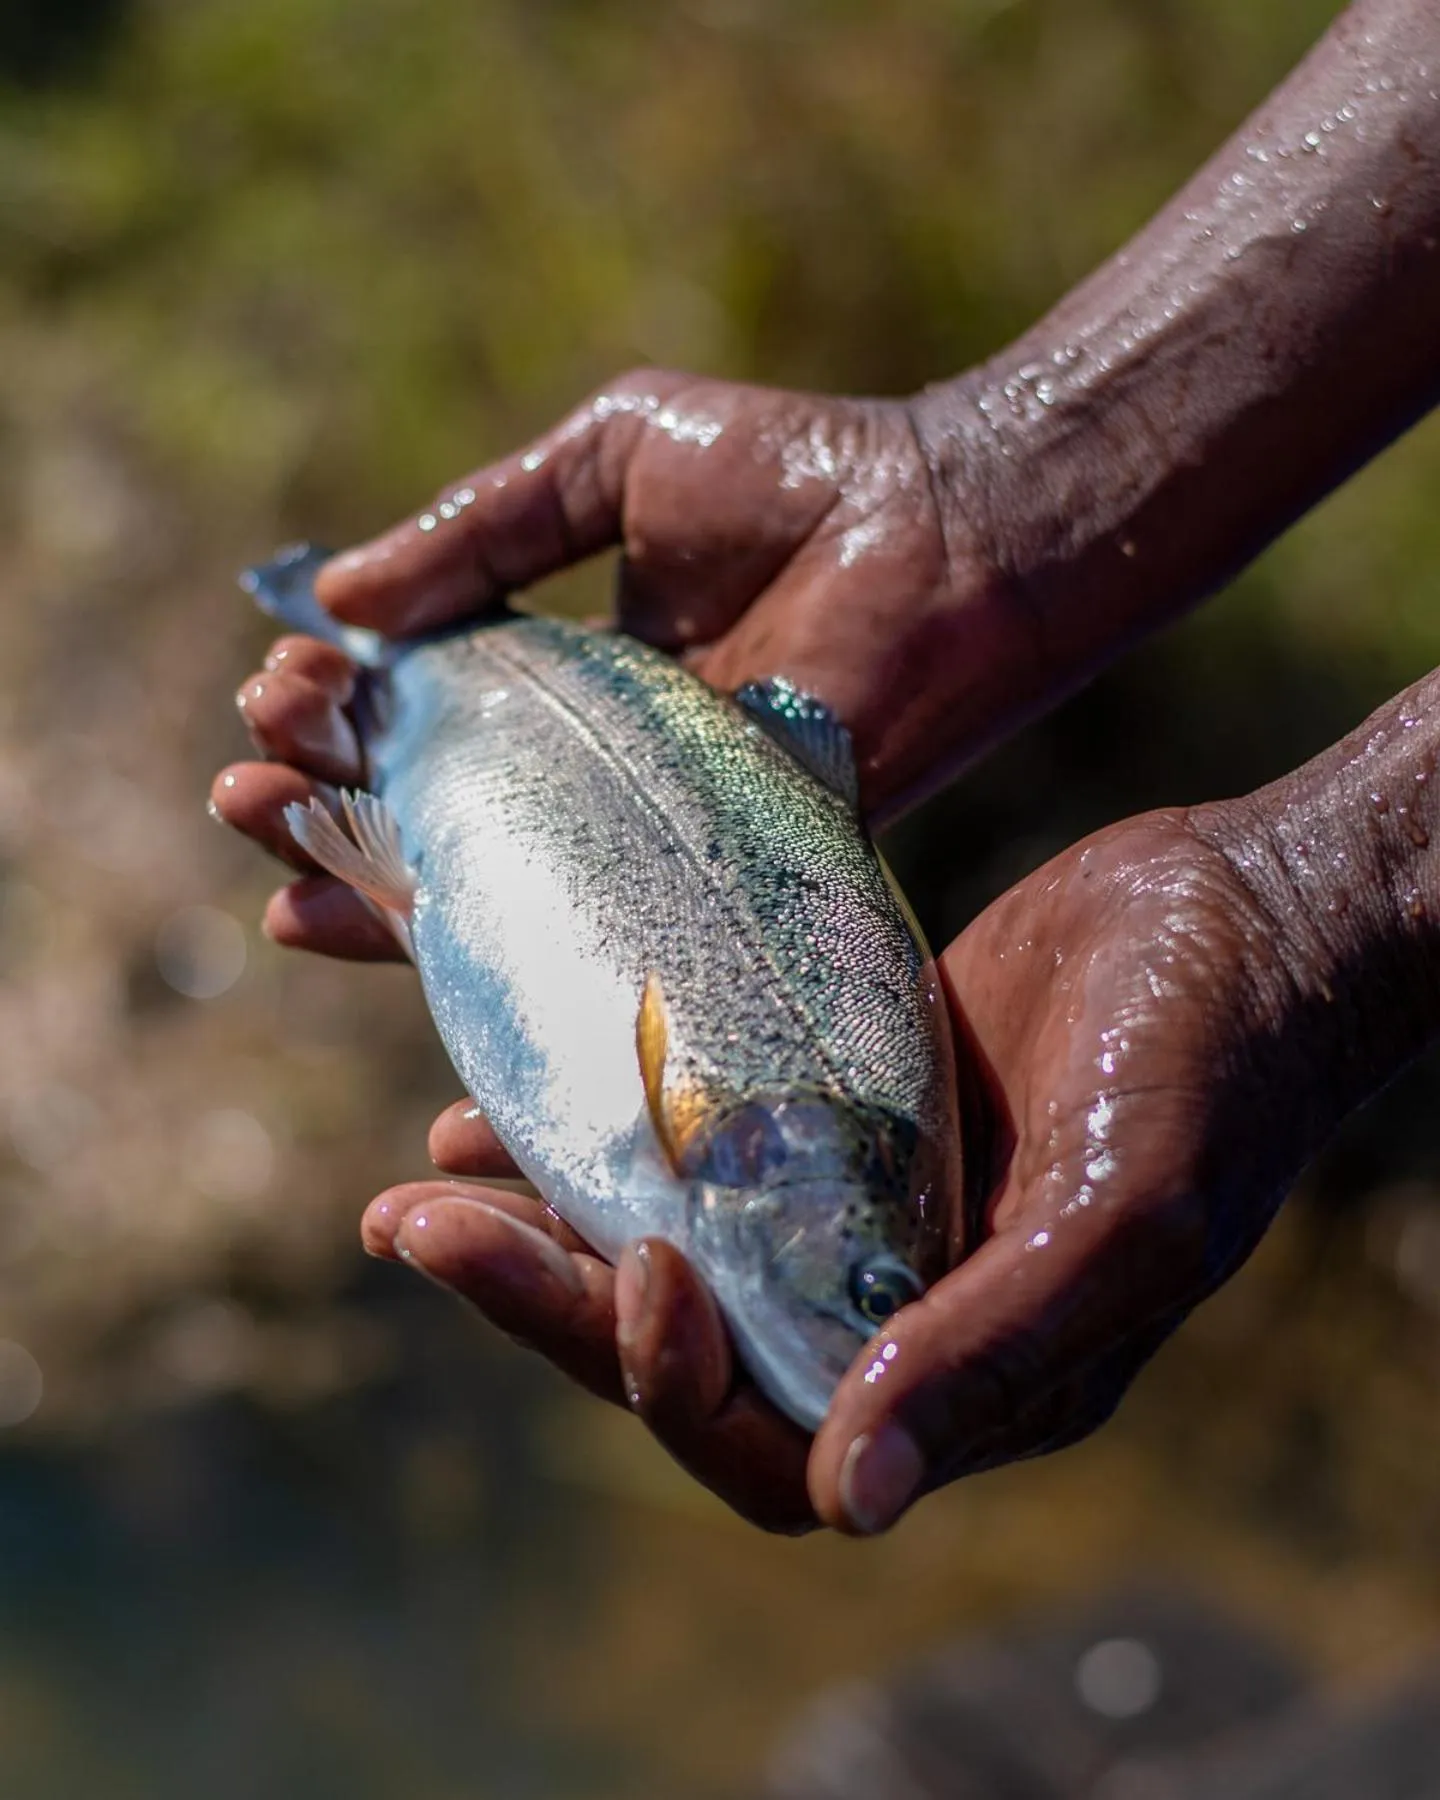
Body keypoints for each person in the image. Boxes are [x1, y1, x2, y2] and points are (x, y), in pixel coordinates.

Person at [215, 0, 1440, 1536]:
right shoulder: (771, 1137)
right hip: (518, 724)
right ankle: (374, 625)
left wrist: (1327, 906)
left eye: (875, 1298)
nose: (877, 1350)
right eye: (873, 1289)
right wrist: (972, 487)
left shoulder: (820, 1145)